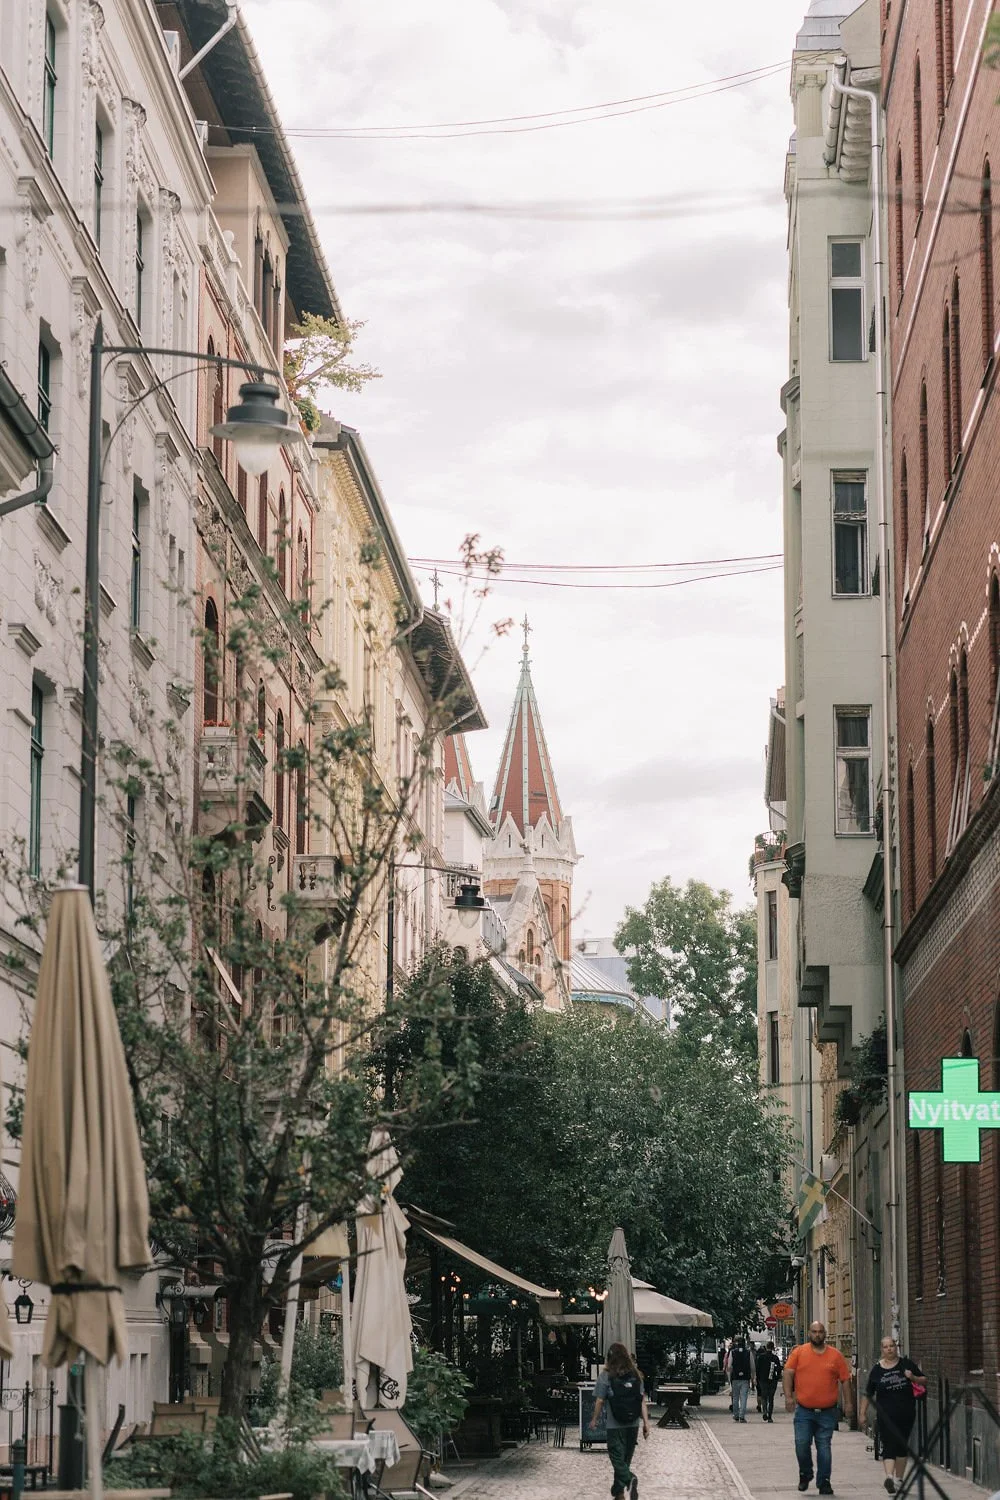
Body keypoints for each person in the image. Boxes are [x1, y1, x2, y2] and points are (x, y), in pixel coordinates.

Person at [783, 1321, 853, 1495]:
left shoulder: (835, 1356)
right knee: (801, 1443)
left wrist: (849, 1403)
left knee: (824, 1446)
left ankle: (824, 1482)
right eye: (814, 1332)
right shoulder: (799, 1352)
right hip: (804, 1410)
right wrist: (789, 1397)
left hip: (827, 1411)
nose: (817, 1335)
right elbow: (788, 1373)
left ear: (825, 1334)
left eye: (820, 1332)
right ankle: (805, 1473)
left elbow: (845, 1380)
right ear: (809, 1333)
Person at [859, 1336, 925, 1494]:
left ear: (896, 1347)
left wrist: (913, 1377)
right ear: (882, 1350)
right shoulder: (877, 1370)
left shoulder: (906, 1364)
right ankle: (889, 1477)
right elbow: (868, 1393)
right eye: (886, 1347)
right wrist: (862, 1413)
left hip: (906, 1413)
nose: (889, 1349)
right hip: (885, 1414)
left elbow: (924, 1380)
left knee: (902, 1445)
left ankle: (899, 1479)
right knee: (888, 1444)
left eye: (892, 1346)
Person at [590, 1341, 650, 1500]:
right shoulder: (637, 1375)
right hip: (633, 1425)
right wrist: (646, 1423)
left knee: (617, 1459)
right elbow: (642, 1401)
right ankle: (619, 1494)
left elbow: (600, 1401)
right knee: (625, 1460)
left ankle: (630, 1479)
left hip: (614, 1426)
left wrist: (594, 1419)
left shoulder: (606, 1375)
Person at [755, 1340, 783, 1423]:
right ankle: (770, 1416)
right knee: (771, 1398)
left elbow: (757, 1369)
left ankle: (764, 1412)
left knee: (764, 1396)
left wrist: (757, 1378)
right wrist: (777, 1377)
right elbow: (779, 1369)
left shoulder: (761, 1357)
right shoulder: (775, 1358)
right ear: (773, 1348)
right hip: (772, 1380)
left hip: (763, 1380)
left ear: (766, 1347)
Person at [729, 1336, 754, 1423]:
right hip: (745, 1378)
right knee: (743, 1397)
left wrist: (729, 1378)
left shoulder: (732, 1352)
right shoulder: (748, 1353)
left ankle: (736, 1415)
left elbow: (729, 1366)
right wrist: (753, 1377)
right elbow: (752, 1366)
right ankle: (742, 1416)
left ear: (736, 1343)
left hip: (735, 1378)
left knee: (735, 1397)